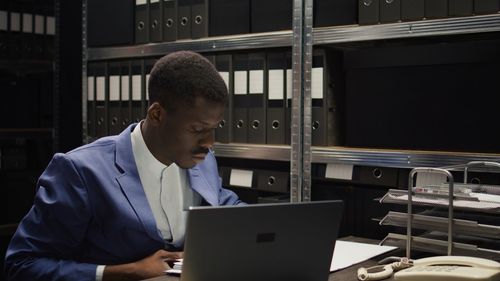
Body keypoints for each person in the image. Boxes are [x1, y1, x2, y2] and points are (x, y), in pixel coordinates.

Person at [4, 51, 244, 281]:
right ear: (157, 115)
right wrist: (125, 272)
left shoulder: (201, 159)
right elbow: (22, 265)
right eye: (198, 129)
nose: (209, 142)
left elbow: (221, 203)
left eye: (214, 128)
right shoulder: (80, 172)